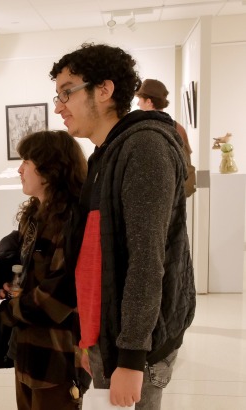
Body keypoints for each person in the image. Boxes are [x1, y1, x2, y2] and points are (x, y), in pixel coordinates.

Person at [49, 43, 196, 409]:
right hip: (107, 334)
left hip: (134, 347)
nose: (58, 106)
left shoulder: (145, 147)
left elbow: (147, 260)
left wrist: (130, 358)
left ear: (104, 90)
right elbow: (95, 255)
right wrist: (89, 338)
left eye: (67, 92)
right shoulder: (106, 154)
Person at [0, 130, 89, 410]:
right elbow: (28, 273)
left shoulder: (69, 221)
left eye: (28, 160)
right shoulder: (35, 216)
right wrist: (9, 286)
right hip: (27, 348)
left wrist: (10, 310)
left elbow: (61, 294)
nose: (20, 168)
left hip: (56, 355)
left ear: (50, 170)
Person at [136, 79, 196, 197]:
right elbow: (187, 167)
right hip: (174, 199)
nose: (138, 104)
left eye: (140, 100)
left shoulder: (141, 129)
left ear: (148, 102)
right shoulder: (178, 128)